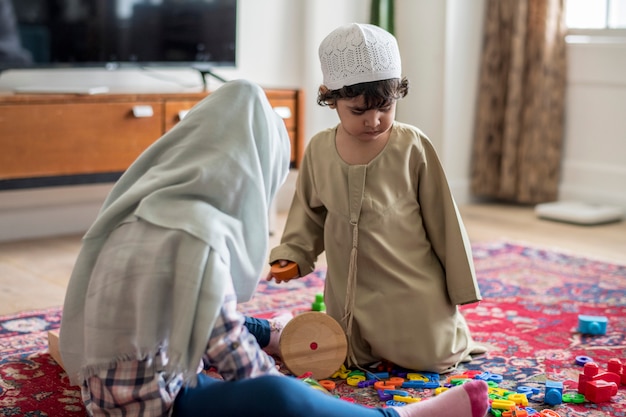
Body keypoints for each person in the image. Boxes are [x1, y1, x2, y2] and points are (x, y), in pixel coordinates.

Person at [59, 78, 489, 417]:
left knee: (211, 315)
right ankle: (396, 416)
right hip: (159, 404)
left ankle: (272, 334)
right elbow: (232, 358)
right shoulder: (194, 235)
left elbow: (191, 315)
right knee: (276, 395)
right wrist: (294, 388)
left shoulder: (147, 209)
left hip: (119, 384)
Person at [268, 23, 487, 374]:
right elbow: (308, 214)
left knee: (436, 358)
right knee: (346, 354)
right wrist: (292, 254)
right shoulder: (320, 149)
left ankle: (443, 330)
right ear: (330, 97)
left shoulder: (411, 145)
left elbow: (443, 218)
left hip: (409, 284)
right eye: (358, 111)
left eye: (385, 107)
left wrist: (460, 286)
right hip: (348, 292)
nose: (374, 120)